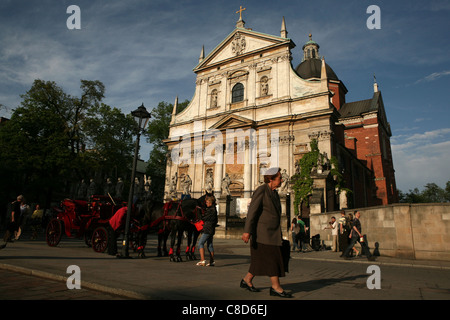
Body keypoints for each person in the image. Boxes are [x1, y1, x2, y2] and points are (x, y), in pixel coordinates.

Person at [241, 167, 292, 298]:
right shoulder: (261, 190)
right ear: (270, 179)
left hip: (272, 233)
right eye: (279, 177)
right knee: (272, 259)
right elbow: (252, 211)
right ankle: (276, 287)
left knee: (259, 261)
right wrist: (247, 231)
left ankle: (247, 280)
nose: (282, 179)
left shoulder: (274, 193)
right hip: (263, 234)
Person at [196, 195, 218, 267]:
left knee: (200, 243)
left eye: (207, 202)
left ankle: (202, 260)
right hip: (211, 229)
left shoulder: (211, 210)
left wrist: (199, 213)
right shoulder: (213, 209)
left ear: (211, 202)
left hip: (207, 229)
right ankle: (212, 261)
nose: (206, 203)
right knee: (210, 245)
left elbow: (204, 218)